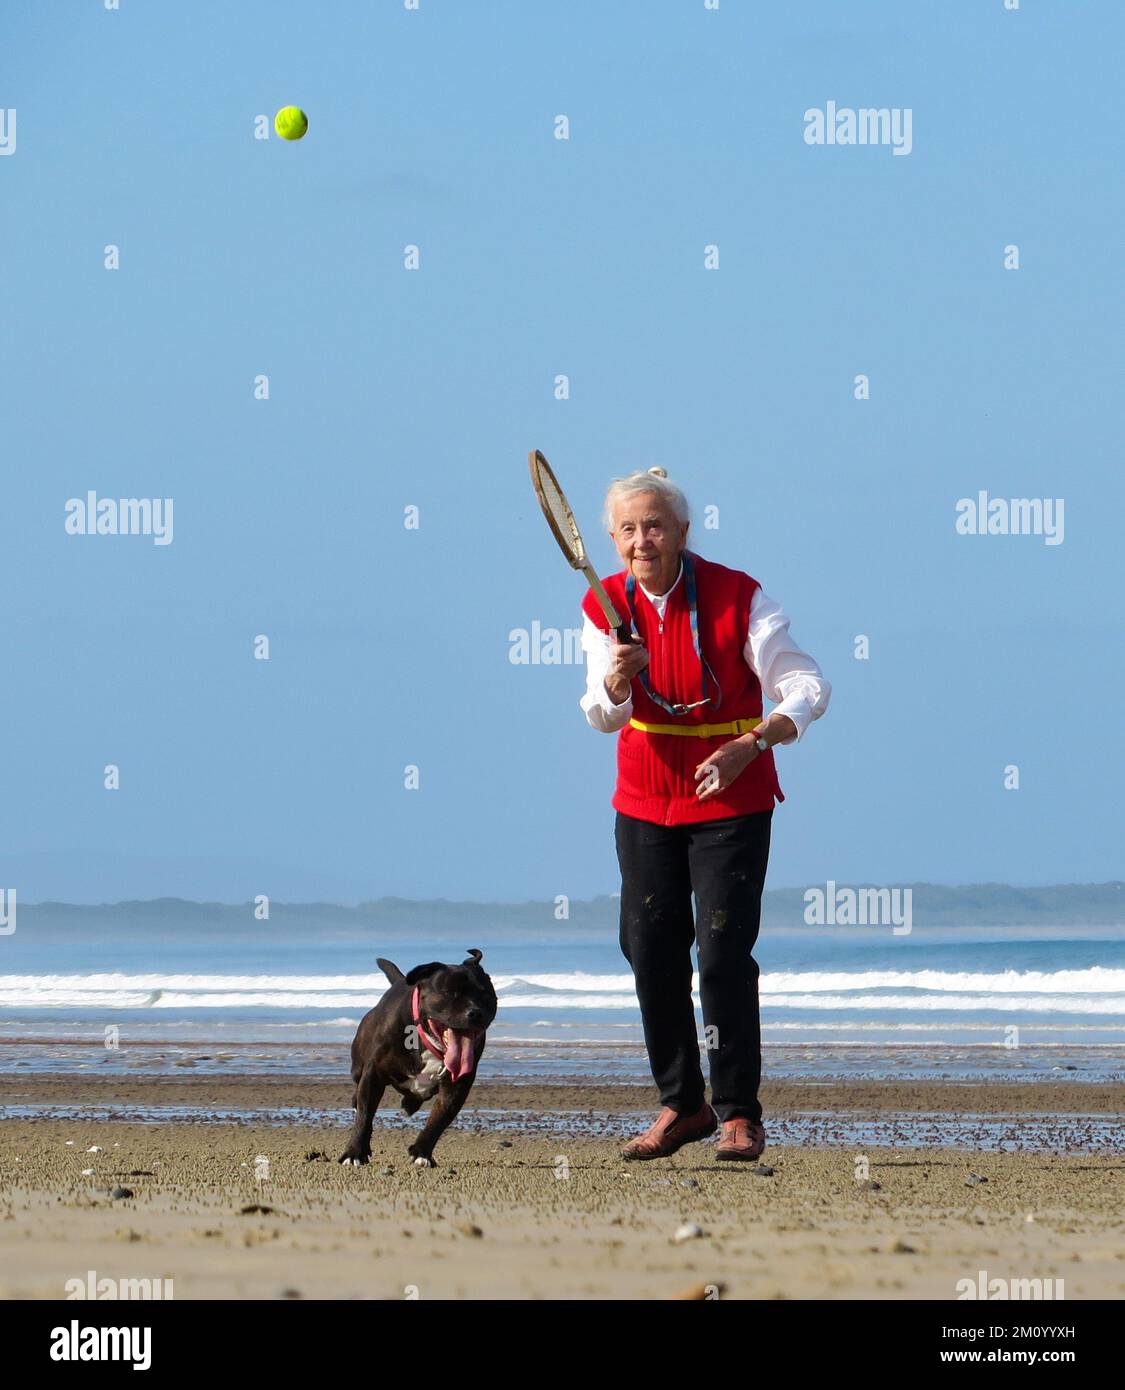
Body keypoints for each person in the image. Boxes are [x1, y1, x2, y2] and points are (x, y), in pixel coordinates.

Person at [579, 467, 830, 1161]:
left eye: (654, 525)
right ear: (610, 539)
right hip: (644, 797)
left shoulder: (739, 596)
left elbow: (807, 684)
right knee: (649, 950)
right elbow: (602, 717)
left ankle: (738, 1114)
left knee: (720, 953)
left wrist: (751, 744)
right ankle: (681, 1103)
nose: (641, 540)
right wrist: (615, 679)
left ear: (683, 532)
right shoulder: (602, 606)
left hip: (731, 797)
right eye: (628, 530)